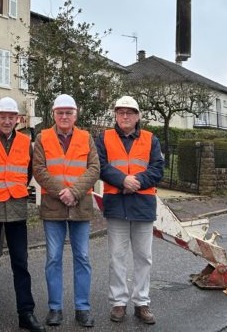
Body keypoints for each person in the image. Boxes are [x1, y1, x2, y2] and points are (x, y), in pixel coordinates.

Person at [0, 97, 45, 332]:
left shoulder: (26, 142)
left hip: (16, 207)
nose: (7, 121)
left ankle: (26, 312)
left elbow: (27, 173)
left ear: (18, 119)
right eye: (2, 116)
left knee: (20, 262)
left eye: (11, 117)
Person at [95, 95, 164, 326]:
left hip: (143, 205)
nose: (125, 116)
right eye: (121, 112)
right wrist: (123, 180)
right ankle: (118, 302)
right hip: (116, 205)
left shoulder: (150, 139)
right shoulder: (104, 138)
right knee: (117, 257)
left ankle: (142, 303)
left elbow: (157, 170)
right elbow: (101, 167)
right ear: (115, 114)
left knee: (144, 257)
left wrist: (135, 182)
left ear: (137, 117)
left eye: (130, 112)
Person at [32, 94, 99, 328]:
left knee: (82, 258)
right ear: (54, 114)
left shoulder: (86, 137)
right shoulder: (43, 137)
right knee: (53, 259)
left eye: (68, 112)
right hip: (53, 207)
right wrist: (63, 192)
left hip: (80, 207)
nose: (64, 116)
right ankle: (55, 308)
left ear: (75, 115)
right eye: (60, 112)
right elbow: (38, 169)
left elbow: (94, 168)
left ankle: (82, 308)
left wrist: (75, 192)